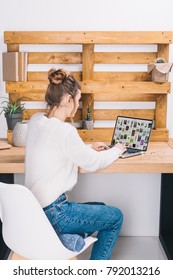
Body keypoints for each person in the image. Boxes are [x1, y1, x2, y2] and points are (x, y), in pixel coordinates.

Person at [25, 68, 126, 260]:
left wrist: (88, 146)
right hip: (56, 213)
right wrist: (117, 150)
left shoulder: (36, 121)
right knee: (115, 217)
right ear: (69, 100)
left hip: (36, 213)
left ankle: (67, 239)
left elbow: (56, 147)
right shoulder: (65, 132)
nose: (78, 105)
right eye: (78, 100)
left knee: (100, 206)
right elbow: (94, 163)